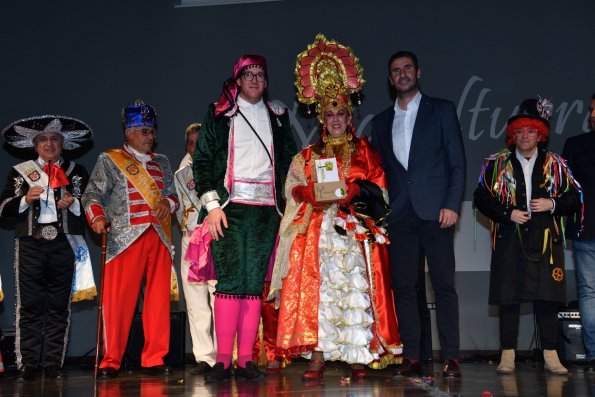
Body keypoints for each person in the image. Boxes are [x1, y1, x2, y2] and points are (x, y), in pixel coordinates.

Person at [270, 34, 402, 381]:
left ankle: (357, 355)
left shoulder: (366, 151)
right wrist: (306, 193)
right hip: (318, 233)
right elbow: (290, 187)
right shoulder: (308, 155)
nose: (335, 119)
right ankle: (318, 356)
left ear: (349, 115)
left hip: (354, 233)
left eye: (341, 113)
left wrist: (359, 189)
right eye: (329, 114)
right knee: (323, 292)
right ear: (321, 118)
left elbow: (382, 191)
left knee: (353, 290)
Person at [193, 54, 296, 382]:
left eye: (260, 74)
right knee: (229, 283)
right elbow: (204, 159)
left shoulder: (278, 115)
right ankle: (223, 361)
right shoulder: (220, 113)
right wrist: (212, 205)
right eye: (248, 74)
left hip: (267, 211)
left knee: (253, 285)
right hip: (229, 209)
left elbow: (290, 161)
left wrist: (291, 203)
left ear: (266, 82)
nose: (254, 79)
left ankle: (246, 361)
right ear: (237, 80)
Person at [370, 50, 465, 378]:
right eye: (395, 71)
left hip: (438, 211)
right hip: (400, 216)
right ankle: (412, 356)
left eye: (407, 68)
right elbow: (378, 172)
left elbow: (457, 161)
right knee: (404, 287)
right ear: (390, 79)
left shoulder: (442, 110)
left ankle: (451, 356)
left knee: (443, 285)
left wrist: (452, 204)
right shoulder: (380, 122)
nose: (402, 74)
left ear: (418, 72)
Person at [474, 98, 582, 375]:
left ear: (540, 134)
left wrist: (553, 204)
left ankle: (551, 354)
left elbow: (574, 198)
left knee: (547, 297)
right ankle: (507, 354)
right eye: (519, 131)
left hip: (546, 240)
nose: (524, 136)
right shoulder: (496, 163)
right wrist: (506, 213)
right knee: (508, 296)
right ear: (513, 134)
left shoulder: (556, 163)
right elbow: (480, 197)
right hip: (510, 239)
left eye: (530, 131)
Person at [82, 100, 179, 379]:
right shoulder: (110, 160)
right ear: (129, 132)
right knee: (118, 302)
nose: (150, 137)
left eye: (152, 131)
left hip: (158, 236)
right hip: (124, 238)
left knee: (158, 302)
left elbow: (174, 194)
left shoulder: (163, 162)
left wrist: (168, 204)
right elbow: (91, 195)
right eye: (144, 132)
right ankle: (111, 360)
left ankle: (154, 358)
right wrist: (97, 218)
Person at [0, 115, 94, 381]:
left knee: (58, 306)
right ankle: (27, 363)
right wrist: (24, 200)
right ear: (35, 144)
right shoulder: (20, 171)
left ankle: (53, 362)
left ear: (63, 143)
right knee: (29, 306)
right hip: (31, 244)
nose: (49, 144)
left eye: (54, 139)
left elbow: (91, 210)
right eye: (43, 139)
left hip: (64, 244)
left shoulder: (76, 171)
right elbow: (3, 210)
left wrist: (73, 204)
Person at [174, 123, 217, 375]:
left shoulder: (219, 166)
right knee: (195, 299)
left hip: (214, 237)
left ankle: (224, 356)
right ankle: (204, 357)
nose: (195, 147)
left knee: (218, 297)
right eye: (190, 143)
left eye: (199, 142)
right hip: (190, 237)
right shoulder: (181, 171)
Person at [562, 93, 595, 372]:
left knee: (589, 292)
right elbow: (565, 190)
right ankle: (594, 352)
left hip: (585, 229)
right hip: (586, 230)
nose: (593, 114)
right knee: (589, 293)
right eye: (592, 109)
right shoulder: (575, 145)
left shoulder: (575, 145)